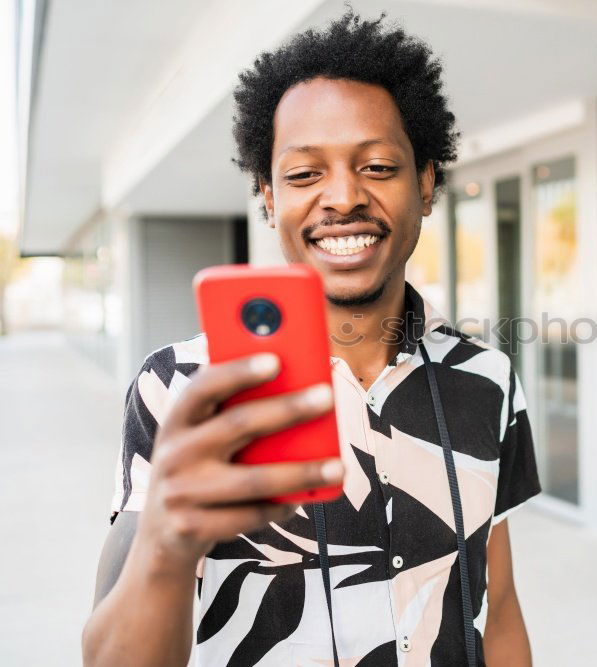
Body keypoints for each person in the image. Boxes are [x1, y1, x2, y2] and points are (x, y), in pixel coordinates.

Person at [82, 10, 541, 666]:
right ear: (268, 195)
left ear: (428, 181)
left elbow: (500, 608)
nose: (343, 196)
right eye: (303, 175)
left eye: (379, 166)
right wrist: (166, 541)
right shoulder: (180, 387)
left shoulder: (488, 380)